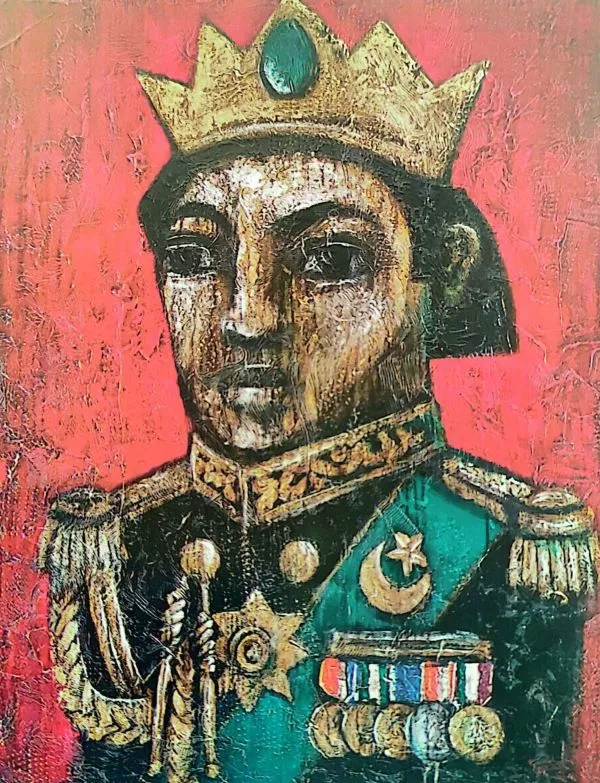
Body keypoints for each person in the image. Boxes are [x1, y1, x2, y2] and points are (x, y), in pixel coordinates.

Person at [39, 1, 597, 782]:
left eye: (330, 259)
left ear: (443, 272)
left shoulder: (505, 551)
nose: (247, 319)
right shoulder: (120, 550)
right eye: (196, 256)